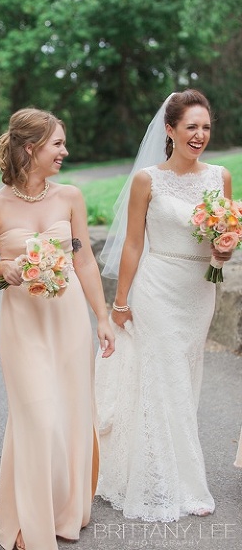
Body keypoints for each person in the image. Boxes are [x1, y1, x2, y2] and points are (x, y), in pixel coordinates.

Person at [0, 108, 114, 550]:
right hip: (23, 323)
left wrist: (102, 317)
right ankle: (27, 521)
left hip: (68, 319)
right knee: (36, 416)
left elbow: (83, 260)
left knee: (70, 411)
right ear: (31, 148)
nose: (64, 152)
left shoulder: (70, 197)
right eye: (57, 144)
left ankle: (65, 509)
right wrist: (4, 268)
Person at [96, 89, 230, 521]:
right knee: (164, 376)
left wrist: (223, 252)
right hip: (157, 288)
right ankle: (175, 483)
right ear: (170, 130)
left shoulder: (221, 177)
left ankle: (167, 468)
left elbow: (223, 237)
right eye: (191, 127)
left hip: (199, 292)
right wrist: (120, 301)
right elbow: (134, 244)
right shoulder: (147, 180)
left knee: (185, 378)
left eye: (205, 127)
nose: (199, 135)